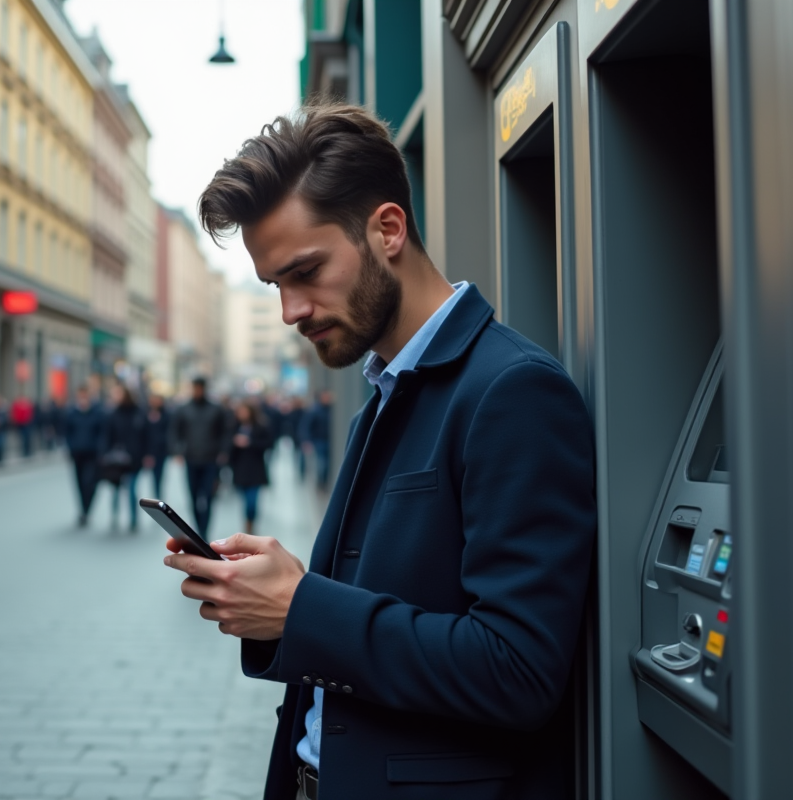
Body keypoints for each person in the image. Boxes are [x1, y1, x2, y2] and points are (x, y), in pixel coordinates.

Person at [164, 104, 597, 800]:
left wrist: (301, 607)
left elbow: (519, 669)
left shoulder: (512, 391)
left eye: (306, 271)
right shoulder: (387, 389)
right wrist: (280, 597)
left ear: (388, 229)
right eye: (276, 285)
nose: (291, 311)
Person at [170, 377, 231, 536]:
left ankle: (204, 530)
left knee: (208, 497)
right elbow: (175, 432)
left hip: (211, 460)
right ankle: (198, 528)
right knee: (193, 497)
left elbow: (225, 432)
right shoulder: (184, 409)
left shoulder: (216, 409)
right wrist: (177, 451)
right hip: (191, 459)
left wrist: (223, 452)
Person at [104, 383, 146, 531]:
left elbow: (146, 436)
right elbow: (107, 436)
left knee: (132, 490)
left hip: (135, 459)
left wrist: (146, 455)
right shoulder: (114, 414)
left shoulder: (139, 413)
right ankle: (115, 516)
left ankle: (133, 519)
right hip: (117, 461)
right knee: (115, 490)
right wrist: (106, 454)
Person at [64, 383, 105, 527]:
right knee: (79, 483)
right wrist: (70, 447)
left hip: (92, 454)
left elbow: (102, 433)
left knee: (90, 483)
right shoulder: (72, 413)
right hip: (77, 453)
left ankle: (87, 509)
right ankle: (83, 511)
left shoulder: (97, 412)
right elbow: (67, 432)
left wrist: (100, 449)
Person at [229, 402, 272, 535]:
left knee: (252, 502)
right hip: (240, 470)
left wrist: (249, 443)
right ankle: (247, 522)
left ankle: (250, 523)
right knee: (244, 500)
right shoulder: (233, 428)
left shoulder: (260, 427)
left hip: (255, 470)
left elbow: (269, 444)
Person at [301, 390, 333, 490]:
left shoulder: (331, 410)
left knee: (327, 463)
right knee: (322, 463)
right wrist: (307, 440)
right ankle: (321, 483)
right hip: (319, 440)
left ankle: (325, 481)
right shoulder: (314, 411)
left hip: (330, 440)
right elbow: (306, 426)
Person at [142, 393, 171, 498]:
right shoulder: (145, 413)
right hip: (149, 450)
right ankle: (155, 494)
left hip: (162, 450)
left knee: (159, 475)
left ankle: (158, 494)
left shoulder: (166, 414)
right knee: (151, 475)